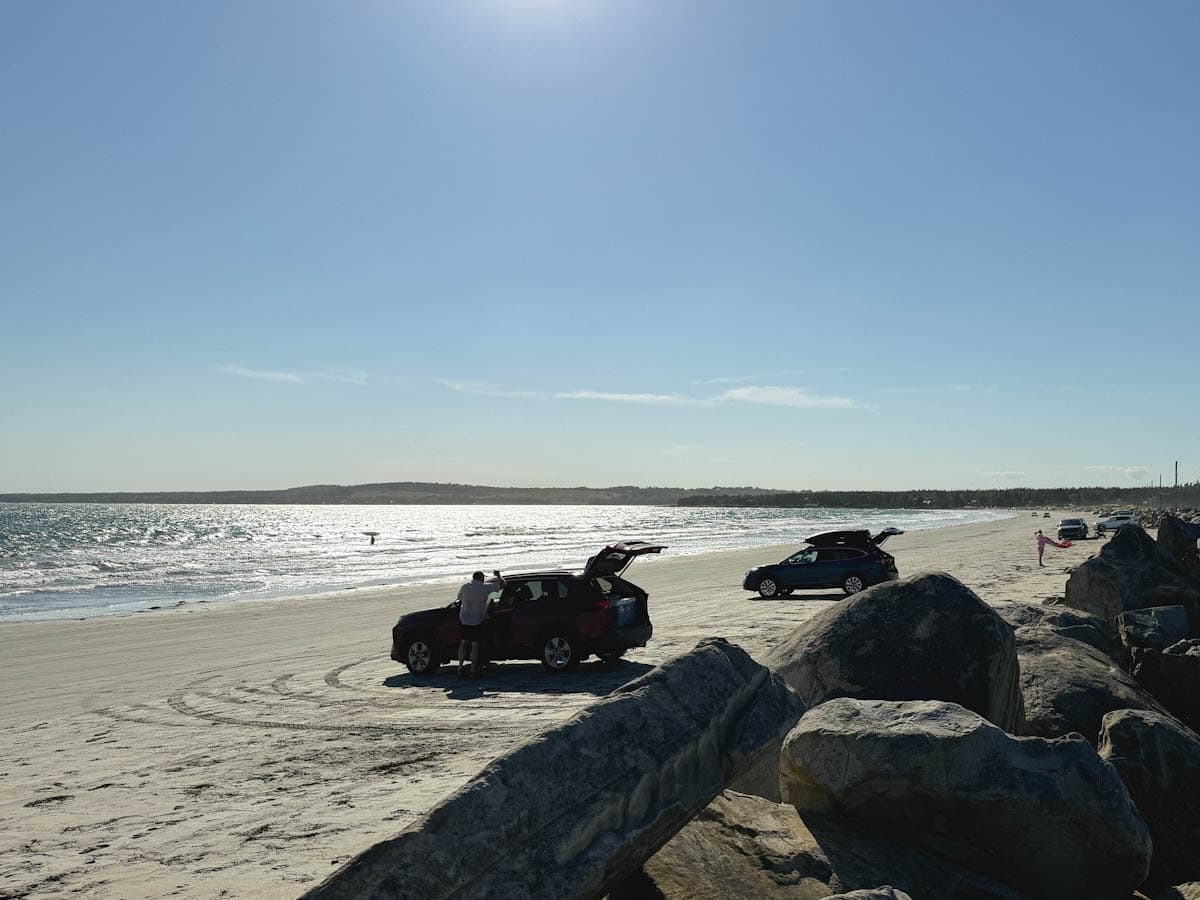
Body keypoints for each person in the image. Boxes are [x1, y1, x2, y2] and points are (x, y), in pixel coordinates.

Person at [457, 569, 505, 678]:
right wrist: (498, 576)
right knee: (475, 645)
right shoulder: (485, 587)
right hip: (477, 620)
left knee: (463, 643)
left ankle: (460, 667)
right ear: (482, 578)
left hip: (464, 619)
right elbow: (503, 585)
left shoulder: (465, 587)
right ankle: (473, 670)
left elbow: (459, 598)